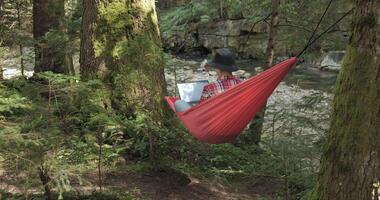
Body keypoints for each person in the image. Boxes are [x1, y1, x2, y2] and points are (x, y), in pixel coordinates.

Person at [175, 48, 242, 112]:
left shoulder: (210, 88)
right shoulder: (241, 85)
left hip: (214, 122)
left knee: (178, 103)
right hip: (236, 119)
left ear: (218, 68)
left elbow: (200, 110)